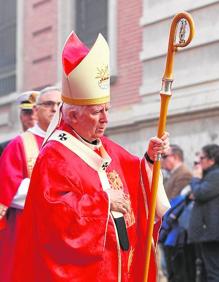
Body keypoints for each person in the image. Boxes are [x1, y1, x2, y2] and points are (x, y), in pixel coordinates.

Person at [12, 32, 170, 282]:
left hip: (120, 263)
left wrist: (150, 160)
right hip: (87, 271)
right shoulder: (55, 155)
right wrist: (104, 201)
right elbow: (54, 217)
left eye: (107, 109)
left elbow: (135, 175)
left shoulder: (105, 145)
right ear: (73, 116)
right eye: (97, 112)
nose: (106, 119)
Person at [0, 86, 61, 282]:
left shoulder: (68, 142)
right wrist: (55, 194)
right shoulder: (19, 144)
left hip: (62, 232)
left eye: (59, 105)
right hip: (28, 231)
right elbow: (9, 190)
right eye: (49, 104)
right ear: (37, 110)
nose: (54, 109)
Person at [160, 144, 193, 282]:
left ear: (175, 157)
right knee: (170, 270)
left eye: (164, 156)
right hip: (169, 229)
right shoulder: (171, 175)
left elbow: (173, 201)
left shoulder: (184, 173)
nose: (161, 160)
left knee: (178, 271)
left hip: (176, 231)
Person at [188, 144, 219, 282]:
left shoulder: (215, 175)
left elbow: (199, 193)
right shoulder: (210, 175)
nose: (198, 162)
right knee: (207, 271)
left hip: (212, 234)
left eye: (201, 158)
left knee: (213, 272)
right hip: (208, 233)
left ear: (211, 160)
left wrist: (195, 179)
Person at [0, 90, 39, 156]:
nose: (32, 117)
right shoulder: (5, 147)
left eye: (37, 113)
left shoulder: (53, 143)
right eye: (28, 113)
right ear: (21, 116)